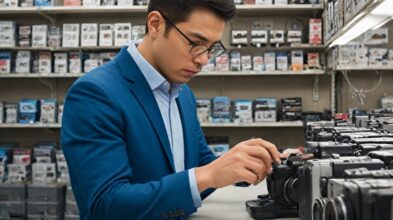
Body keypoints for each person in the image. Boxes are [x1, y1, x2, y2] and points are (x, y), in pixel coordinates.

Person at [61, 0, 281, 219]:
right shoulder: (95, 93)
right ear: (155, 24)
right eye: (195, 42)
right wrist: (207, 175)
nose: (203, 59)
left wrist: (260, 161)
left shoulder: (182, 93)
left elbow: (203, 165)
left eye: (212, 48)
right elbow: (104, 206)